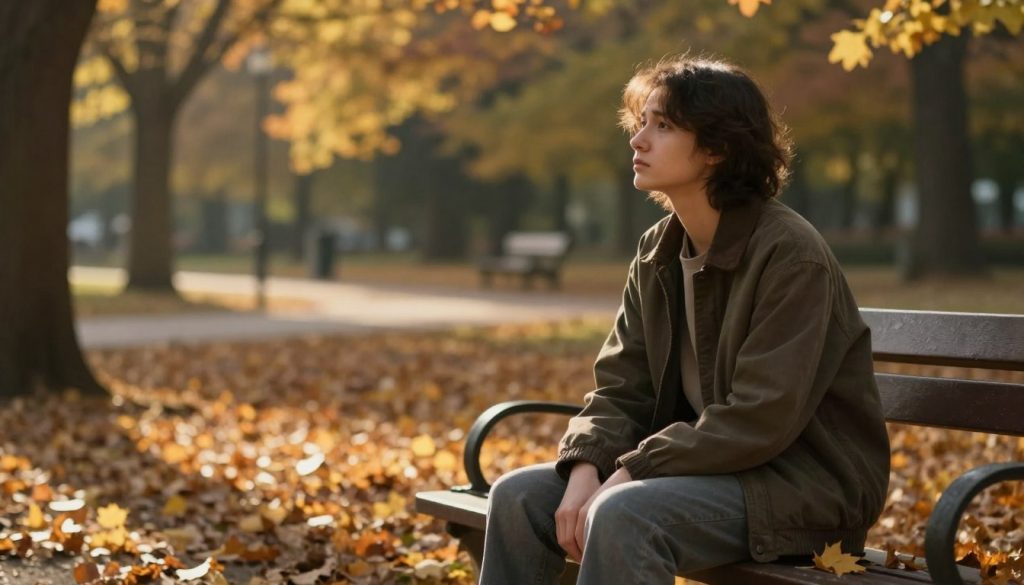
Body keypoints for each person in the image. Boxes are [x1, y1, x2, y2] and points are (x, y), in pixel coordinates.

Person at [477, 55, 891, 585]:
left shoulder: (791, 255)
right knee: (517, 497)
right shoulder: (659, 249)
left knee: (624, 512)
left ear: (718, 148)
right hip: (702, 474)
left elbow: (759, 416)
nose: (639, 140)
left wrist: (630, 471)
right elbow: (622, 387)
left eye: (664, 126)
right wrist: (586, 468)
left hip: (802, 488)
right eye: (641, 122)